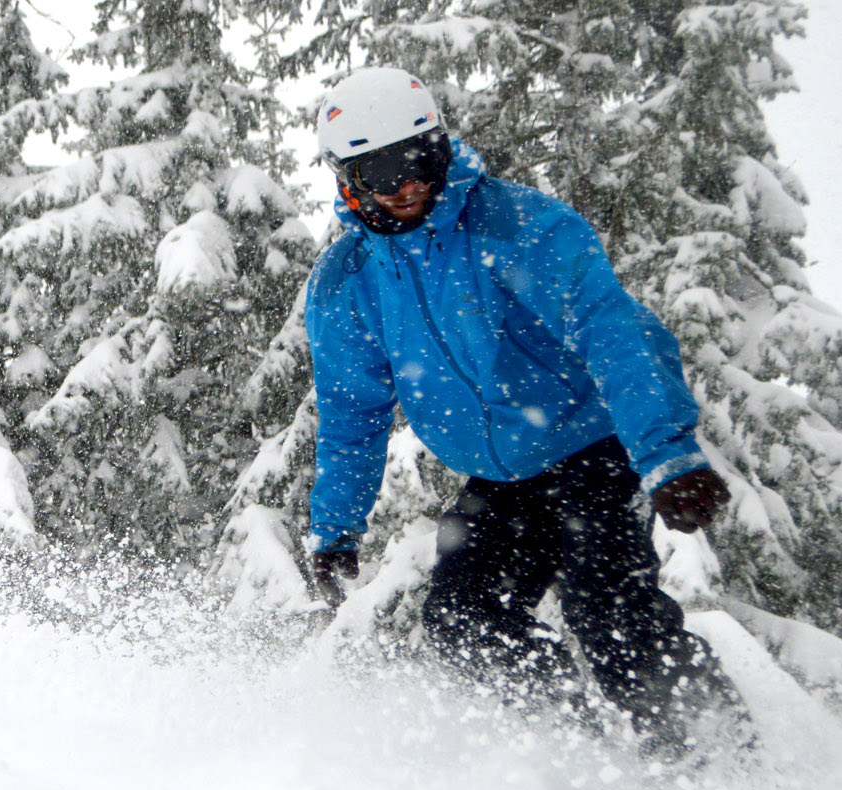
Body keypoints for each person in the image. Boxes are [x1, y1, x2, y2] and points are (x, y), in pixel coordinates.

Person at [300, 67, 739, 755]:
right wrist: (334, 531)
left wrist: (668, 453)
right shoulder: (347, 282)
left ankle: (714, 750)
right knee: (461, 618)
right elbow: (352, 415)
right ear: (345, 176)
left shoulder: (517, 226)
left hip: (595, 450)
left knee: (609, 610)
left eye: (420, 159)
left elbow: (616, 336)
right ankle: (580, 751)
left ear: (442, 147)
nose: (407, 183)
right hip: (504, 480)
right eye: (381, 170)